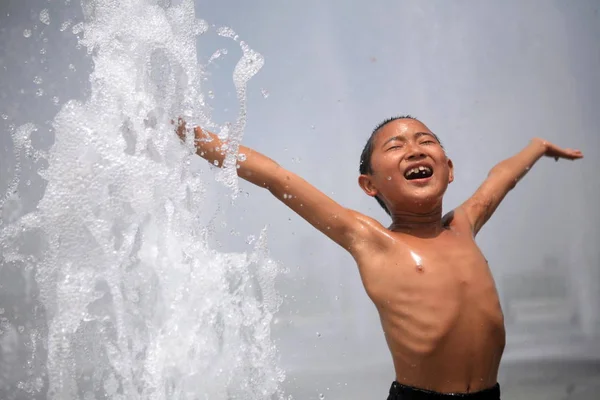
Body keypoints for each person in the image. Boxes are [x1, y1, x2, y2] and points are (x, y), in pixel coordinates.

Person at [175, 115, 583, 399]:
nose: (415, 149)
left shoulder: (463, 224)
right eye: (396, 146)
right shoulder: (369, 239)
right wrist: (191, 135)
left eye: (426, 141)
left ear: (449, 168)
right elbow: (275, 177)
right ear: (369, 185)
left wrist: (536, 148)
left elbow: (501, 177)